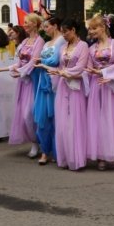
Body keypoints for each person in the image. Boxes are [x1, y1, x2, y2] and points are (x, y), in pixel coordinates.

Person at [0, 14, 44, 158]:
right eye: (25, 22)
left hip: (33, 82)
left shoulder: (39, 41)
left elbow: (33, 63)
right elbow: (19, 62)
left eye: (28, 22)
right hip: (23, 83)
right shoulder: (24, 42)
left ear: (35, 24)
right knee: (23, 115)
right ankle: (35, 142)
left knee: (30, 113)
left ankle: (38, 142)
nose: (25, 24)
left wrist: (21, 72)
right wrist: (3, 69)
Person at [46, 18, 88, 171]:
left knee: (75, 122)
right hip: (64, 85)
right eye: (62, 32)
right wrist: (58, 72)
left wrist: (62, 72)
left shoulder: (83, 46)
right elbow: (60, 64)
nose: (64, 35)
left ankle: (76, 158)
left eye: (66, 32)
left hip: (76, 87)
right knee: (63, 121)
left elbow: (80, 67)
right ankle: (64, 157)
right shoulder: (63, 46)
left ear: (73, 30)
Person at [84, 15, 114, 170]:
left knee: (111, 119)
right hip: (96, 86)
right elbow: (88, 68)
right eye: (90, 29)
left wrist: (105, 73)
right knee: (97, 120)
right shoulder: (91, 48)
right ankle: (100, 155)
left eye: (94, 28)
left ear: (103, 27)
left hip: (111, 85)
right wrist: (91, 72)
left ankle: (111, 153)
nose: (91, 31)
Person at [32, 17, 64, 165]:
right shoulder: (46, 43)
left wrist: (43, 62)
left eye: (47, 27)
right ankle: (45, 150)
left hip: (54, 81)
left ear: (55, 26)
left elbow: (58, 60)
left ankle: (58, 151)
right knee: (43, 117)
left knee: (56, 117)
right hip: (42, 82)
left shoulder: (62, 41)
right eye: (44, 27)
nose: (45, 30)